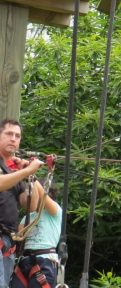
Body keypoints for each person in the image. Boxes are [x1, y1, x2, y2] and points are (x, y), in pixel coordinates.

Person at [0, 120, 44, 288]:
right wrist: (26, 171)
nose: (13, 139)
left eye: (17, 136)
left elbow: (31, 205)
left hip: (7, 245)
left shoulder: (13, 172)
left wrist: (31, 177)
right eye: (9, 134)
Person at [10, 185, 61, 288]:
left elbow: (43, 196)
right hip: (25, 261)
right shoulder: (28, 216)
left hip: (45, 260)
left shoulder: (54, 212)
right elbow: (18, 236)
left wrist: (33, 178)